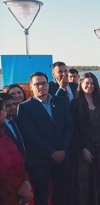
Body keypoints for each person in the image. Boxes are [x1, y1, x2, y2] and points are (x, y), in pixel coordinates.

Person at [17, 71, 73, 205]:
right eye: (37, 84)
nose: (41, 86)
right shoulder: (25, 107)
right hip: (40, 162)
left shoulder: (60, 101)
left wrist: (63, 150)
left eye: (43, 83)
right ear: (31, 87)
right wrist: (51, 153)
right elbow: (30, 135)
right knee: (41, 197)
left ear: (48, 84)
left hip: (62, 158)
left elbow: (69, 126)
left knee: (63, 194)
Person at [70, 72, 100, 205]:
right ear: (81, 84)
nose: (90, 86)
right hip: (86, 148)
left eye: (92, 83)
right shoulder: (75, 104)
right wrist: (83, 148)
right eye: (87, 83)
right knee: (86, 181)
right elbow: (74, 129)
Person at [0, 99, 33, 205]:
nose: (6, 113)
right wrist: (20, 188)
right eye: (4, 109)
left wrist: (25, 180)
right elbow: (4, 171)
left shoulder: (3, 135)